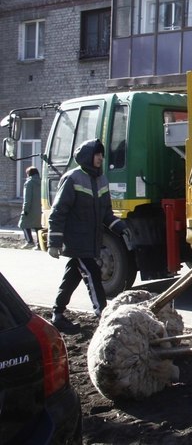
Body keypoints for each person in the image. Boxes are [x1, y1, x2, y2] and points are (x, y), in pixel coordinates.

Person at [47, 138, 129, 334]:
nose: (101, 157)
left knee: (72, 277)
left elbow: (106, 214)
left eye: (102, 154)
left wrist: (121, 228)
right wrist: (54, 242)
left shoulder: (102, 180)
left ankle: (57, 315)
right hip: (77, 241)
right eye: (97, 154)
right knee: (93, 274)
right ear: (87, 156)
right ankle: (103, 315)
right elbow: (58, 212)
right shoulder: (72, 178)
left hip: (91, 241)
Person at [18, 166, 42, 249]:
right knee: (38, 227)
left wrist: (25, 210)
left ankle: (29, 242)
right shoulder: (42, 181)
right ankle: (39, 244)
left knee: (23, 224)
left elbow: (27, 198)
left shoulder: (29, 183)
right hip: (41, 209)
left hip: (31, 209)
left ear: (29, 174)